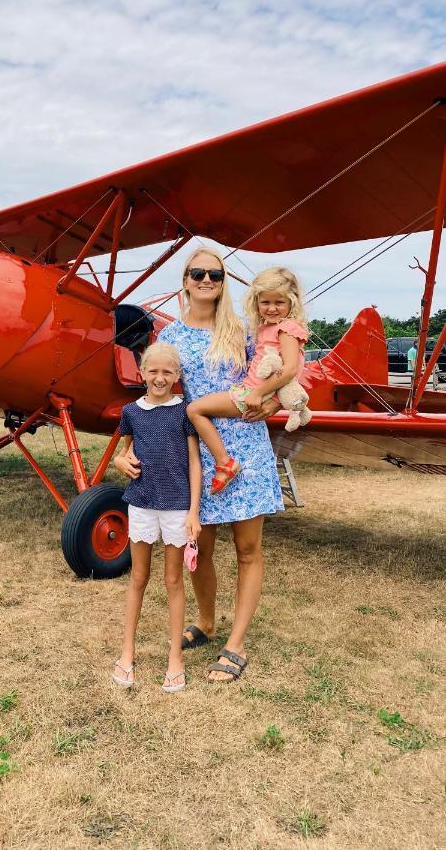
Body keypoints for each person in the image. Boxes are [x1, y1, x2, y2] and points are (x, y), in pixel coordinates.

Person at [115, 246, 283, 684]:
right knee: (200, 549)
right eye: (197, 273)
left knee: (248, 550)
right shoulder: (170, 338)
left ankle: (236, 644)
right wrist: (126, 448)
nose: (206, 279)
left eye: (215, 273)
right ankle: (207, 624)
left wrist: (273, 403)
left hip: (244, 448)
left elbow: (278, 371)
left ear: (224, 282)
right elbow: (156, 396)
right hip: (196, 454)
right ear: (185, 280)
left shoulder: (244, 331)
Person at [112, 342, 202, 693]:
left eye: (168, 372)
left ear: (177, 375)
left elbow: (194, 461)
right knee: (138, 577)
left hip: (178, 506)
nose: (160, 378)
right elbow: (125, 451)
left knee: (174, 581)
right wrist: (121, 461)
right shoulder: (131, 412)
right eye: (153, 371)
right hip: (142, 502)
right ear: (142, 373)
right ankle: (127, 651)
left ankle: (175, 657)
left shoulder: (185, 412)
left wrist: (194, 511)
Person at [187, 267, 309, 493]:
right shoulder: (265, 328)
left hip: (251, 393)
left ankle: (225, 463)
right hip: (251, 390)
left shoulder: (287, 329)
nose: (272, 308)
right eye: (265, 302)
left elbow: (291, 368)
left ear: (292, 303)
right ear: (256, 302)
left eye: (279, 302)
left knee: (194, 410)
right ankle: (225, 462)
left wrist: (258, 393)